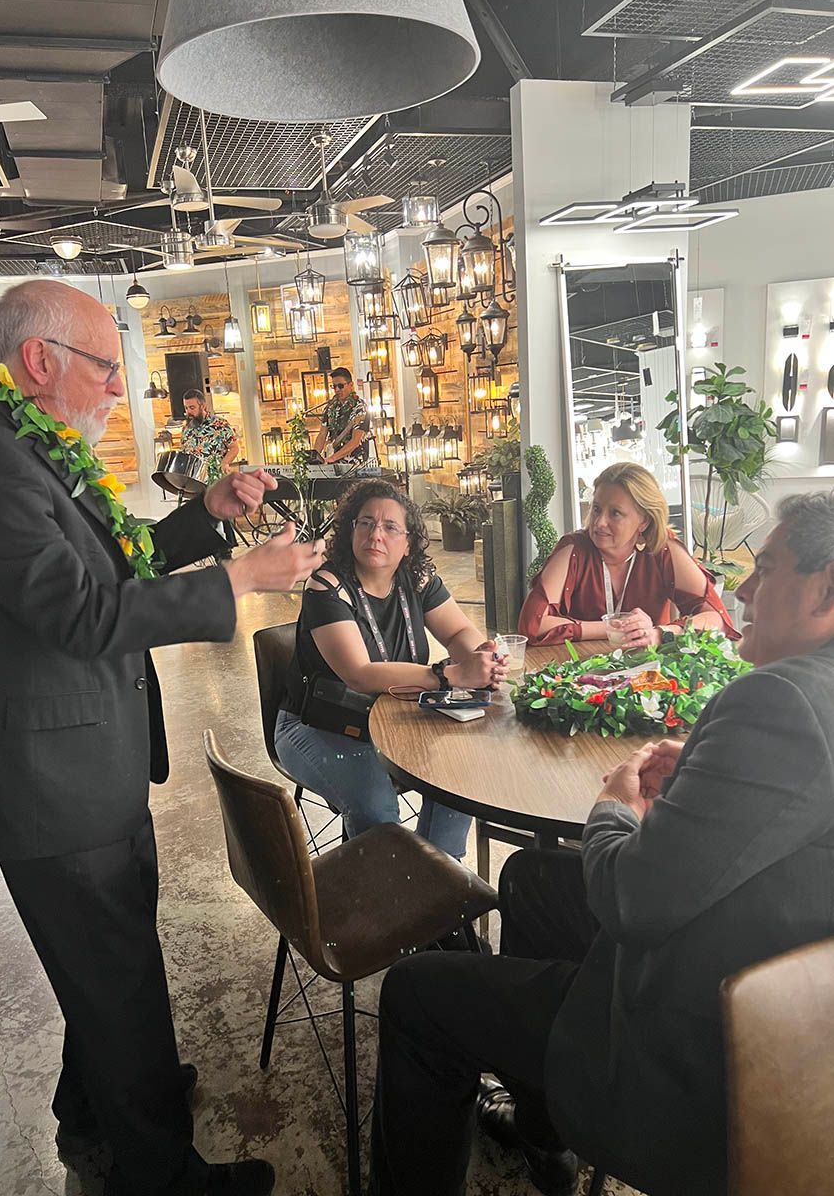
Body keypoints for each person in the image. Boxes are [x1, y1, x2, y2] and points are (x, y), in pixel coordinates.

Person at [0, 280, 326, 1196]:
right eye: (107, 366)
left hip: (86, 765)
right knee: (118, 981)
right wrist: (238, 578)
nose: (121, 387)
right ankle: (160, 1174)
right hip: (50, 784)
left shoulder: (26, 445)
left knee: (104, 967)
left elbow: (115, 556)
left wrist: (207, 513)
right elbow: (81, 614)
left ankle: (94, 1114)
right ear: (40, 361)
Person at [368, 489, 834, 1196]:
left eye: (765, 570)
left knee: (414, 994)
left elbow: (630, 902)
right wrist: (698, 780)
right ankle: (542, 1125)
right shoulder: (807, 696)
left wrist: (614, 806)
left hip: (693, 1036)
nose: (743, 589)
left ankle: (568, 1080)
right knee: (531, 877)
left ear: (826, 590)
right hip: (773, 978)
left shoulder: (780, 701)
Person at [275, 478, 509, 860]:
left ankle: (436, 873)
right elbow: (359, 673)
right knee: (377, 808)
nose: (375, 535)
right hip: (317, 723)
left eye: (389, 527)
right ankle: (388, 883)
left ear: (408, 543)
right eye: (365, 523)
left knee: (460, 770)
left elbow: (458, 631)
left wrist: (481, 656)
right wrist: (448, 675)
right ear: (350, 530)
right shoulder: (326, 587)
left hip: (392, 715)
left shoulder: (416, 579)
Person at [518, 461, 737, 646]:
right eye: (596, 509)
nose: (599, 522)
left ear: (644, 521)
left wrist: (660, 633)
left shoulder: (663, 549)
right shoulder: (573, 549)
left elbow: (717, 620)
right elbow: (532, 625)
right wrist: (615, 627)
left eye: (615, 513)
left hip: (650, 673)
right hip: (580, 671)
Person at [312, 367, 370, 464]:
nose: (337, 390)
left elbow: (355, 441)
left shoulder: (360, 408)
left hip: (354, 462)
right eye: (334, 386)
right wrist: (314, 457)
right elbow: (322, 435)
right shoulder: (330, 407)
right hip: (334, 460)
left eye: (340, 386)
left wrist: (333, 458)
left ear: (351, 385)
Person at [181, 390, 240, 480]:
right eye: (186, 408)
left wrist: (224, 463)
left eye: (192, 408)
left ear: (203, 406)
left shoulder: (220, 424)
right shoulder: (186, 428)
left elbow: (234, 448)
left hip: (215, 479)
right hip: (192, 480)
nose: (188, 412)